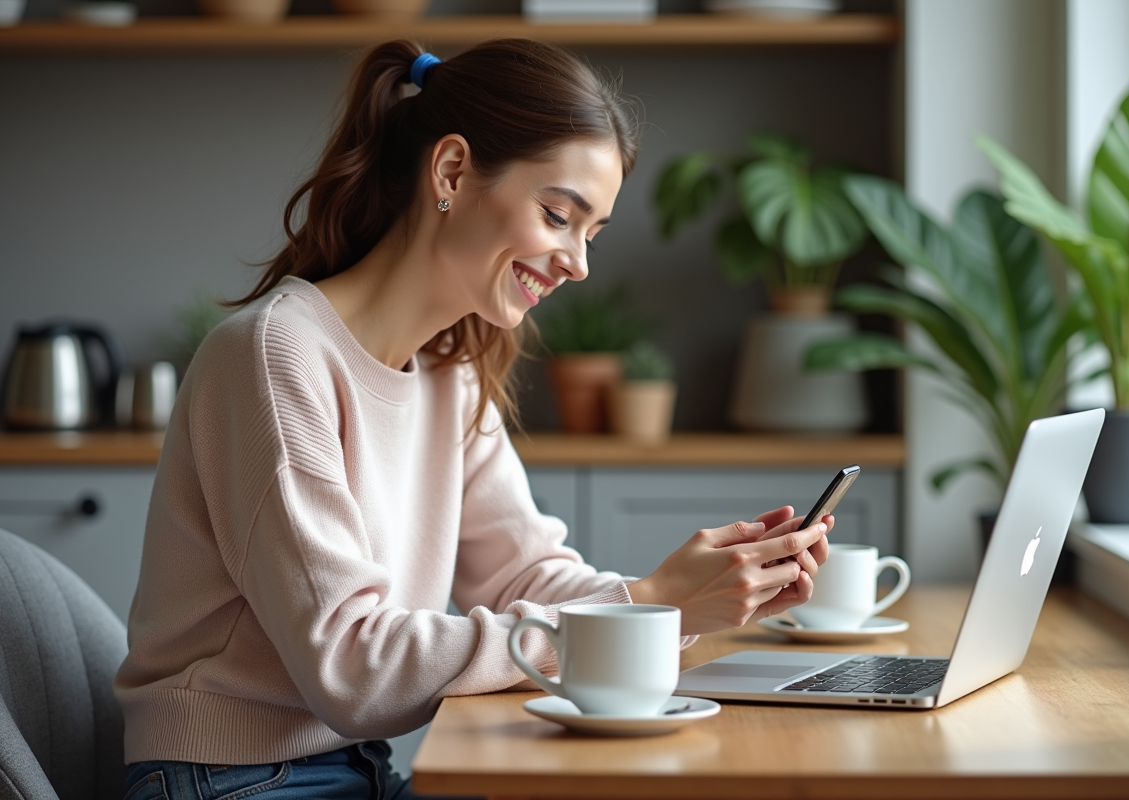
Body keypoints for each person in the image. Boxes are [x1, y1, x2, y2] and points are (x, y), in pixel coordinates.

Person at [114, 38, 832, 800]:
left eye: (592, 234)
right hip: (230, 778)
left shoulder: (448, 373)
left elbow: (527, 574)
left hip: (350, 770)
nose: (578, 264)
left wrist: (697, 601)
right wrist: (648, 601)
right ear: (451, 172)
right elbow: (353, 670)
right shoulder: (274, 355)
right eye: (559, 215)